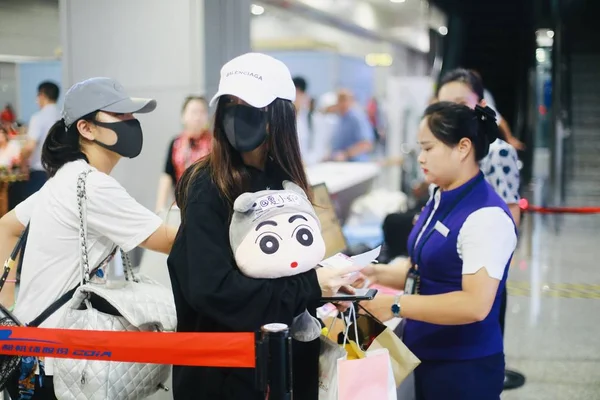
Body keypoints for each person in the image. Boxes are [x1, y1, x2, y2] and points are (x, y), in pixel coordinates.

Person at [167, 52, 360, 400]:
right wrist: (310, 285)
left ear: (279, 114)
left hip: (285, 366)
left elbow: (285, 267)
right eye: (230, 104)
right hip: (224, 375)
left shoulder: (285, 178)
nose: (237, 115)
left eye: (250, 105)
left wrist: (327, 282)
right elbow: (214, 291)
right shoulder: (207, 185)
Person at [0, 77, 178, 399]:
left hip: (29, 352)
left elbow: (6, 227)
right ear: (86, 128)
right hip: (58, 363)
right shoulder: (91, 185)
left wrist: (7, 306)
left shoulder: (64, 178)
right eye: (120, 116)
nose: (131, 123)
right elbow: (168, 240)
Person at [361, 102, 517, 399]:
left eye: (429, 148)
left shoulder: (486, 216)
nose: (421, 158)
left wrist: (395, 305)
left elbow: (474, 304)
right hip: (426, 354)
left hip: (463, 368)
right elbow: (424, 268)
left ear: (462, 147)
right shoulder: (440, 195)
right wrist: (371, 274)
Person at [155, 95, 212, 213]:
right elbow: (167, 175)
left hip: (210, 204)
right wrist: (160, 208)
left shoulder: (215, 143)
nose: (198, 117)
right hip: (182, 206)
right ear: (183, 116)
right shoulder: (175, 144)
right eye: (194, 112)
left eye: (202, 112)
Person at [20, 81, 61, 196]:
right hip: (60, 170)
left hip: (40, 171)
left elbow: (29, 147)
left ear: (42, 95)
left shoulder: (38, 117)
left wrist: (23, 164)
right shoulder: (63, 116)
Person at [329, 89, 375, 162]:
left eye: (344, 100)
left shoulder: (357, 118)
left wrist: (345, 154)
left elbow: (367, 144)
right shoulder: (340, 119)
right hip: (340, 164)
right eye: (339, 100)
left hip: (355, 165)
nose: (341, 103)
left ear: (351, 101)